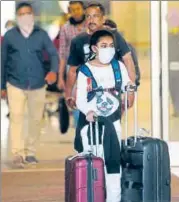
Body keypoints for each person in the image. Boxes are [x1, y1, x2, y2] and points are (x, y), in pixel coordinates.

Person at [75, 29, 134, 202]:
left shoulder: (118, 66)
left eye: (111, 46)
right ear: (94, 48)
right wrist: (88, 111)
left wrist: (129, 86)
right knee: (94, 163)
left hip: (113, 122)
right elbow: (80, 99)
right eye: (103, 46)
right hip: (91, 125)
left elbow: (125, 83)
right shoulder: (85, 70)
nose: (108, 49)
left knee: (113, 163)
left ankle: (114, 199)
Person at [1, 2, 59, 168]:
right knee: (16, 117)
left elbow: (53, 54)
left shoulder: (41, 34)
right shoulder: (10, 36)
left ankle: (31, 151)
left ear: (33, 15)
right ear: (17, 17)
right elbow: (2, 61)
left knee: (35, 119)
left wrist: (53, 71)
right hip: (15, 83)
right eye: (22, 14)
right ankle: (18, 154)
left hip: (38, 83)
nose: (25, 16)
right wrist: (1, 86)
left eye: (28, 13)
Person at [65, 2, 136, 111]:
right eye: (88, 16)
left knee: (111, 126)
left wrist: (130, 91)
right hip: (86, 93)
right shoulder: (78, 41)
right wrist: (68, 94)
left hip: (111, 92)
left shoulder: (114, 36)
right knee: (84, 124)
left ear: (103, 19)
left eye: (95, 16)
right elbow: (72, 71)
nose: (91, 20)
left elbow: (128, 61)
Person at [58, 1, 87, 127]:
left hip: (91, 65)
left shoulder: (90, 24)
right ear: (69, 11)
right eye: (73, 9)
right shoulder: (65, 28)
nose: (76, 12)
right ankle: (79, 127)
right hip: (73, 68)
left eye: (78, 9)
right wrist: (60, 77)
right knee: (76, 97)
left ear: (83, 10)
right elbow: (63, 54)